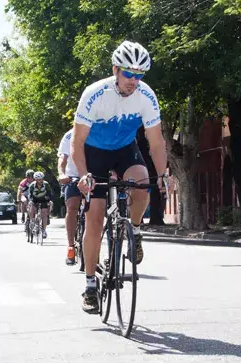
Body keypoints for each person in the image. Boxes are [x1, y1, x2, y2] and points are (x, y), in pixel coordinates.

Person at [70, 41, 169, 314]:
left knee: (142, 183)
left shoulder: (146, 96)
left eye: (140, 75)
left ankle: (134, 230)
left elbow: (156, 142)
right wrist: (83, 175)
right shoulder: (94, 94)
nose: (134, 81)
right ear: (115, 69)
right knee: (95, 216)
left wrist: (162, 175)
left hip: (126, 149)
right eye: (128, 74)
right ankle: (90, 285)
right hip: (94, 153)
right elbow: (77, 143)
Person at [57, 128, 84, 265]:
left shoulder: (98, 130)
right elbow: (63, 158)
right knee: (72, 207)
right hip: (73, 177)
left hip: (94, 176)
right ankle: (71, 246)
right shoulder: (69, 135)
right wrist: (62, 173)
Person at [25, 171, 54, 239]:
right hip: (34, 199)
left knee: (44, 212)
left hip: (44, 199)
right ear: (35, 179)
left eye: (41, 179)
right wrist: (31, 201)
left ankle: (44, 230)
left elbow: (50, 193)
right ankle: (32, 220)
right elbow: (30, 195)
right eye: (38, 179)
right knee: (31, 206)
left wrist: (50, 200)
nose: (40, 181)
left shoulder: (46, 184)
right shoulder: (32, 185)